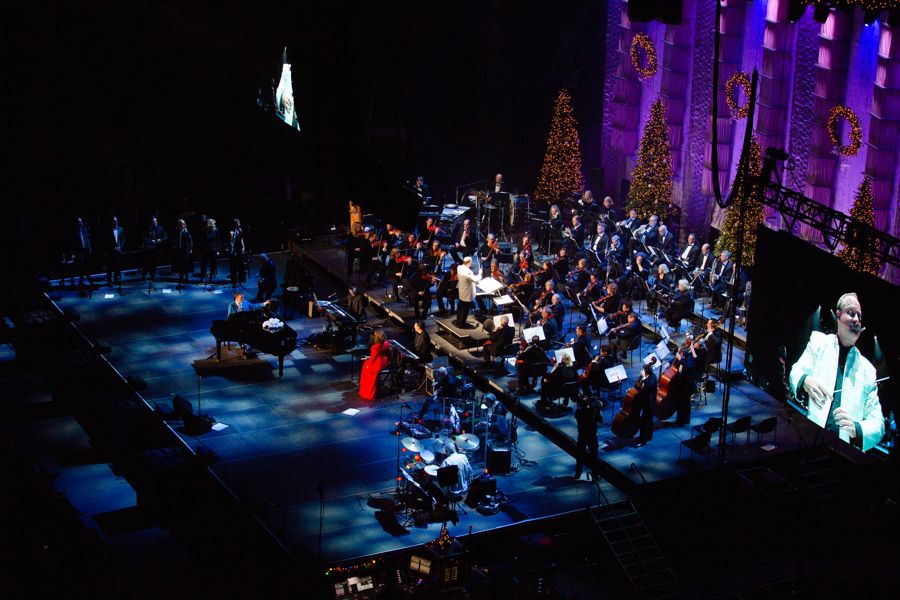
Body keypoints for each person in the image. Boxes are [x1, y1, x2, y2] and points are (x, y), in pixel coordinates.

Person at [789, 293, 884, 451]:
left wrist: (856, 428)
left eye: (859, 316)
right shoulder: (818, 342)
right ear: (838, 315)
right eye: (851, 313)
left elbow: (878, 424)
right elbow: (796, 371)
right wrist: (805, 380)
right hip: (809, 438)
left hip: (842, 451)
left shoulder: (868, 371)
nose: (856, 319)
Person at [574, 397, 601, 480]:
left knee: (580, 455)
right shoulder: (593, 411)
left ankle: (578, 473)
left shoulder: (578, 412)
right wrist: (597, 409)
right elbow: (600, 421)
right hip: (592, 436)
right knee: (594, 456)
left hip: (582, 436)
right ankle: (595, 476)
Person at [359, 330, 390, 401]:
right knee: (366, 364)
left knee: (366, 367)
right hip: (384, 361)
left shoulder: (375, 347)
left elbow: (373, 359)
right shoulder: (386, 343)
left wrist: (367, 361)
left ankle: (366, 391)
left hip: (378, 364)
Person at [633, 363, 658, 447]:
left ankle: (642, 441)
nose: (643, 371)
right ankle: (648, 436)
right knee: (648, 420)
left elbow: (649, 386)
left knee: (645, 421)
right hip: (644, 400)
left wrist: (643, 377)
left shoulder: (653, 377)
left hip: (649, 403)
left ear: (647, 371)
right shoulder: (645, 376)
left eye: (644, 370)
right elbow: (637, 385)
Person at [455, 256, 481, 328]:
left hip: (462, 290)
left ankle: (458, 321)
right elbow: (475, 279)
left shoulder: (459, 267)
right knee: (465, 309)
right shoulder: (468, 272)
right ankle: (461, 324)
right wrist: (480, 274)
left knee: (460, 307)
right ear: (469, 263)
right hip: (467, 293)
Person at [141, 216, 167, 281]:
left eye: (155, 221)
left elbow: (165, 236)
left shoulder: (160, 228)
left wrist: (160, 240)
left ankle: (153, 275)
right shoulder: (147, 228)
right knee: (146, 263)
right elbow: (143, 237)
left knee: (154, 263)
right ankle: (144, 275)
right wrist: (149, 241)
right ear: (151, 222)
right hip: (148, 249)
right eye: (153, 221)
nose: (155, 223)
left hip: (156, 249)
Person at [173, 219, 193, 286]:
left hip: (185, 250)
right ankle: (181, 277)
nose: (182, 225)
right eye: (181, 224)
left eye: (183, 224)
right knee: (180, 264)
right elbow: (175, 240)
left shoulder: (187, 232)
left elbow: (190, 241)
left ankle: (186, 278)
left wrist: (190, 249)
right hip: (179, 250)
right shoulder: (177, 232)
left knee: (185, 264)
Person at [106, 216, 124, 286]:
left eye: (116, 220)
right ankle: (109, 281)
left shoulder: (120, 229)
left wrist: (120, 247)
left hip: (118, 251)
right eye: (114, 221)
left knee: (118, 266)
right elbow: (107, 241)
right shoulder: (108, 230)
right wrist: (113, 247)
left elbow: (123, 239)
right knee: (110, 267)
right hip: (111, 251)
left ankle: (116, 279)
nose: (115, 222)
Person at [228, 219, 246, 285]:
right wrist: (232, 251)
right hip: (234, 249)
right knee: (234, 265)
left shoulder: (240, 230)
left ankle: (241, 278)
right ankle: (234, 280)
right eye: (238, 223)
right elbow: (231, 242)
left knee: (241, 264)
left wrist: (243, 246)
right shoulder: (231, 232)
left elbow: (241, 239)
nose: (239, 223)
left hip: (239, 248)